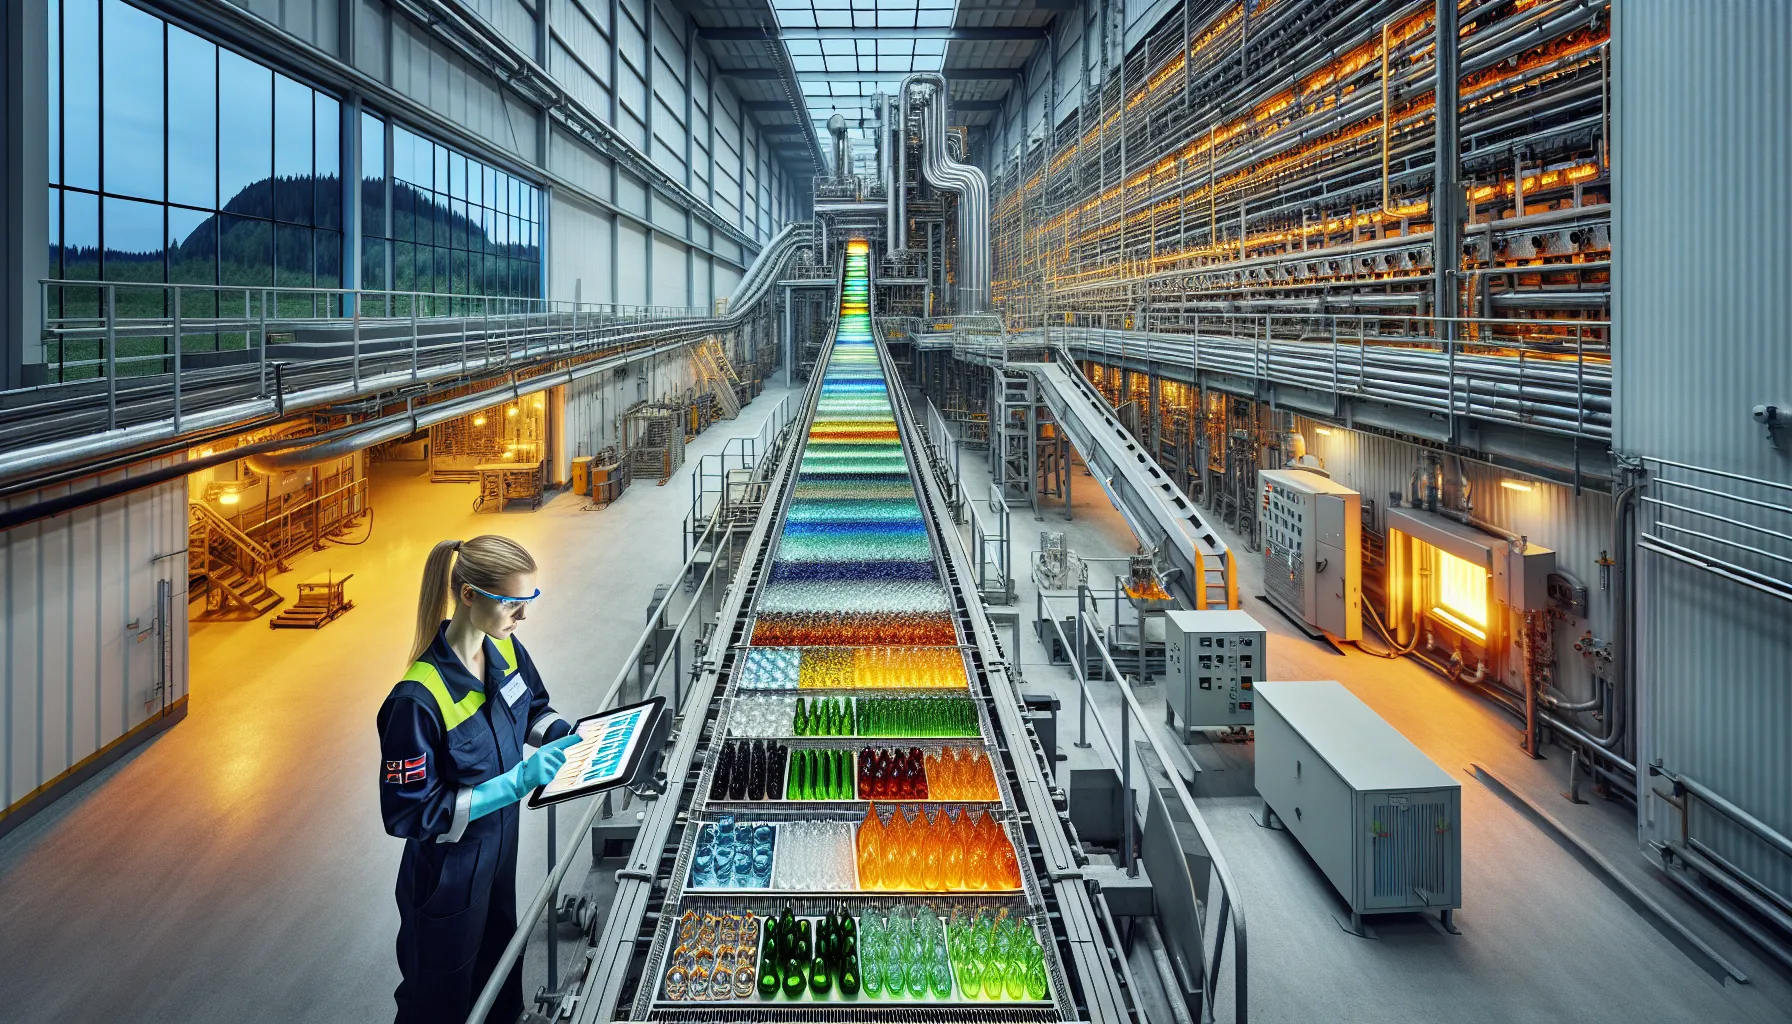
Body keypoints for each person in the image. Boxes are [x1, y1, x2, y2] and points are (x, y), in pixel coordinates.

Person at [378, 535, 581, 1024]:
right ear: (469, 595)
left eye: (527, 600)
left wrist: (567, 735)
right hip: (448, 875)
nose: (522, 615)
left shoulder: (506, 650)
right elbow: (413, 814)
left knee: (500, 971)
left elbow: (531, 707)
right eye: (513, 602)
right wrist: (517, 782)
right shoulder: (417, 699)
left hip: (499, 855)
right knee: (442, 996)